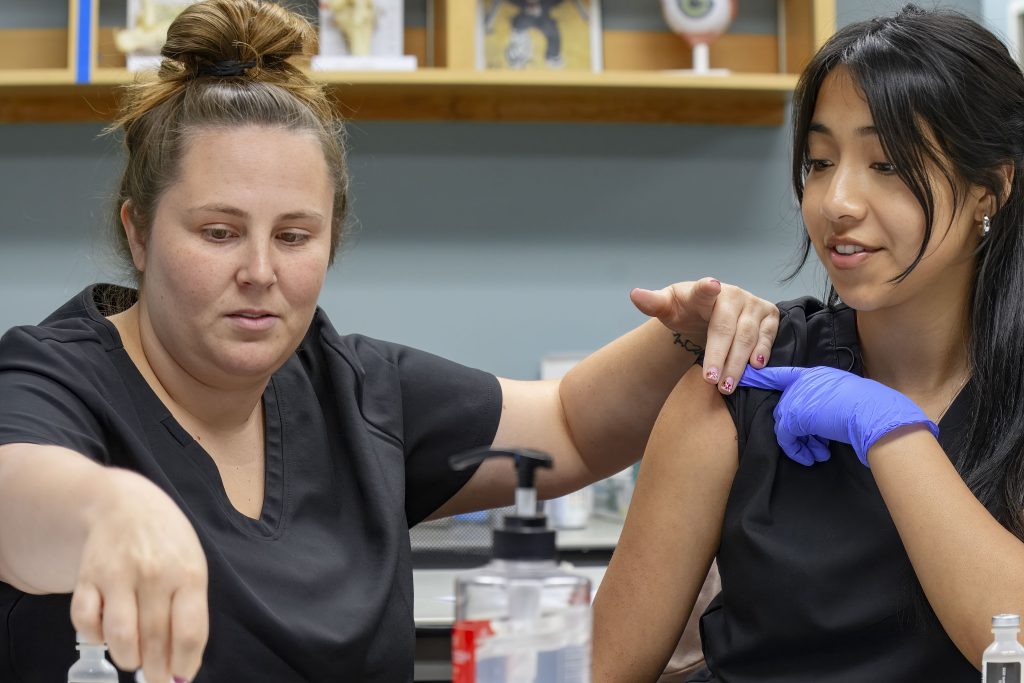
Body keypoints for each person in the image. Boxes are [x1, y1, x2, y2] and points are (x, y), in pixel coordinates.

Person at [0, 2, 780, 682]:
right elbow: (17, 497)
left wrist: (688, 330)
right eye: (218, 232)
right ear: (138, 232)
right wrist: (110, 508)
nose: (261, 271)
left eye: (296, 235)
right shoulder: (55, 376)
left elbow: (572, 423)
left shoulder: (356, 389)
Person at [592, 4, 1024, 682]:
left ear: (990, 189)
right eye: (820, 161)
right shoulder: (747, 377)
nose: (836, 201)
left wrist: (889, 433)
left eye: (887, 163)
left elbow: (1016, 641)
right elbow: (601, 668)